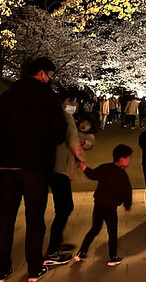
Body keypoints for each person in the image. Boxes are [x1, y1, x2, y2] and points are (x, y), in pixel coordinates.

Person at [0, 57, 67, 282]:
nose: (50, 79)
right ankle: (34, 268)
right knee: (35, 218)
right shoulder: (47, 97)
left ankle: (1, 271)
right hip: (36, 165)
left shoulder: (6, 97)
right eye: (49, 75)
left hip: (7, 165)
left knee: (5, 219)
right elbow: (58, 132)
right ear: (41, 73)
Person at [74, 144, 134, 267]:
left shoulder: (105, 167)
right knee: (112, 232)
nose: (129, 160)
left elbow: (92, 174)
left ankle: (81, 252)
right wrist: (127, 206)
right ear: (122, 159)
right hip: (110, 207)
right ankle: (112, 257)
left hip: (99, 205)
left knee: (95, 228)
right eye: (128, 158)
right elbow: (127, 191)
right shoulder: (122, 175)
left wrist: (82, 166)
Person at [43, 95, 87, 266]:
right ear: (62, 103)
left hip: (48, 166)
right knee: (65, 207)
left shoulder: (46, 117)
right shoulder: (65, 117)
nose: (72, 105)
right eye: (70, 102)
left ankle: (58, 241)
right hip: (60, 168)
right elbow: (73, 141)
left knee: (61, 206)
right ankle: (53, 250)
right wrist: (80, 158)